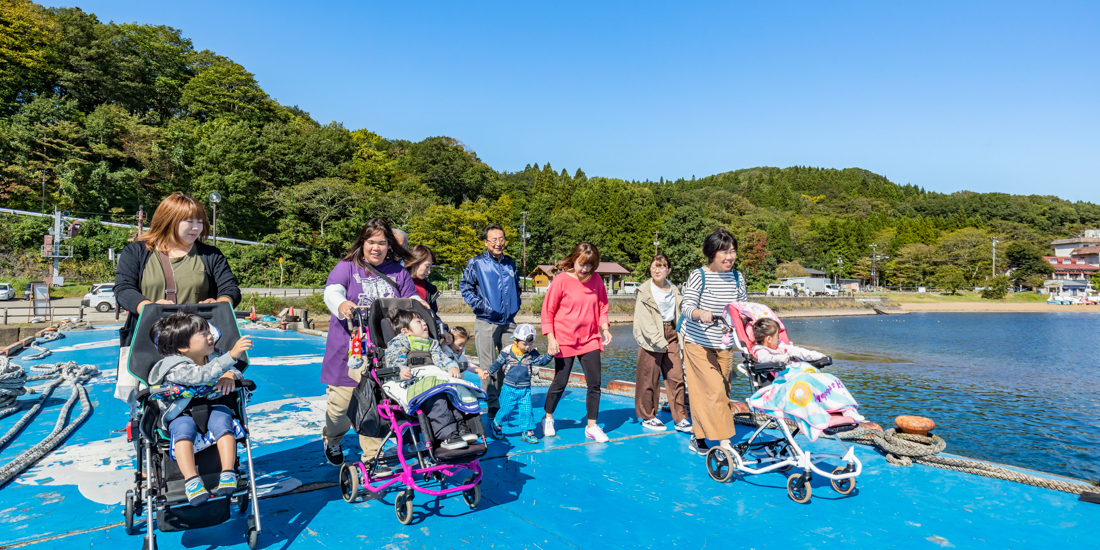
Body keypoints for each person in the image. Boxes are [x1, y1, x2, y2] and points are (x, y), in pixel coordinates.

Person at [114, 192, 242, 406]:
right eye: (189, 221)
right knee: (150, 397)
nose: (196, 228)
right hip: (149, 339)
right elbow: (123, 288)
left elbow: (230, 288)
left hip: (198, 341)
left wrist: (223, 301)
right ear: (168, 220)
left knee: (203, 396)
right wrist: (148, 307)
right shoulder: (137, 252)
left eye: (200, 222)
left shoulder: (210, 255)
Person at [320, 218, 415, 465]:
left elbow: (411, 300)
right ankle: (332, 438)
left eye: (382, 243)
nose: (376, 248)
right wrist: (340, 303)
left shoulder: (399, 272)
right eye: (371, 242)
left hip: (383, 353)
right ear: (362, 243)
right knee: (340, 409)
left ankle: (373, 457)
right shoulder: (347, 266)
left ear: (389, 246)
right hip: (348, 352)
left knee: (375, 405)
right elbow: (332, 290)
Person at [147, 312, 253, 506]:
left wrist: (230, 374)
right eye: (203, 334)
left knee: (224, 423)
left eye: (208, 331)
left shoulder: (213, 356)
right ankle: (191, 480)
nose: (210, 336)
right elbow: (200, 377)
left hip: (213, 405)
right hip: (181, 411)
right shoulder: (173, 366)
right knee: (183, 431)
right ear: (183, 347)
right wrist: (232, 356)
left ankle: (228, 472)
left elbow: (232, 370)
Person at [680, 228, 747, 456]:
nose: (730, 257)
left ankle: (697, 436)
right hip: (697, 342)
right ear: (712, 253)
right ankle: (725, 443)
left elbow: (742, 311)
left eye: (733, 251)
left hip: (725, 344)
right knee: (714, 391)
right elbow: (686, 306)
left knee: (721, 392)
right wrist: (701, 313)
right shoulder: (700, 275)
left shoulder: (738, 277)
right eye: (724, 252)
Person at [540, 242, 612, 443]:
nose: (585, 269)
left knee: (595, 383)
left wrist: (605, 328)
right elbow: (548, 311)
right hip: (564, 339)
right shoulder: (561, 280)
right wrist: (551, 337)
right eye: (582, 264)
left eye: (590, 265)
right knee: (560, 382)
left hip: (590, 339)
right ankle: (548, 417)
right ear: (574, 260)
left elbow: (602, 306)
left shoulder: (596, 280)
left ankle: (591, 426)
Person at [383, 310, 481, 450]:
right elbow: (393, 359)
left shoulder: (432, 343)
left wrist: (451, 366)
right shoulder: (400, 341)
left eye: (424, 321)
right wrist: (400, 369)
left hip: (433, 374)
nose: (424, 323)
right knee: (436, 396)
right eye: (418, 321)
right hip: (415, 376)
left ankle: (461, 428)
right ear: (406, 331)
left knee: (453, 391)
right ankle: (446, 435)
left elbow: (441, 358)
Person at [460, 224, 522, 422]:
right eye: (493, 239)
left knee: (512, 361)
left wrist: (515, 305)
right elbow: (466, 287)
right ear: (486, 242)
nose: (498, 243)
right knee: (489, 365)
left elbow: (518, 287)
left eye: (501, 238)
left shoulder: (510, 262)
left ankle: (505, 399)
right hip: (486, 321)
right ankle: (493, 405)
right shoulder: (476, 263)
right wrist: (482, 307)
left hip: (508, 321)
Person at [632, 254, 690, 433]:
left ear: (668, 270)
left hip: (671, 333)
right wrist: (658, 340)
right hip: (652, 337)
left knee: (676, 376)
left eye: (662, 266)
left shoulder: (674, 289)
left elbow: (680, 314)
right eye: (654, 266)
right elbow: (644, 320)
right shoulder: (644, 291)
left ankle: (680, 417)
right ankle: (648, 416)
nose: (657, 270)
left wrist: (683, 335)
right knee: (648, 377)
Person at [477, 324, 553, 444]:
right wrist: (488, 371)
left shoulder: (532, 353)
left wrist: (550, 355)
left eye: (531, 344)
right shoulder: (507, 352)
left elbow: (541, 362)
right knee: (505, 410)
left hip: (525, 389)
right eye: (525, 344)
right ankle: (496, 425)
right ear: (515, 340)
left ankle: (527, 431)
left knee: (527, 411)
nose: (528, 347)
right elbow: (497, 363)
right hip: (509, 388)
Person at [406, 244, 440, 314]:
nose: (429, 271)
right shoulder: (400, 282)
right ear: (415, 262)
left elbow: (433, 314)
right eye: (427, 266)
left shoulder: (430, 288)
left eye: (430, 267)